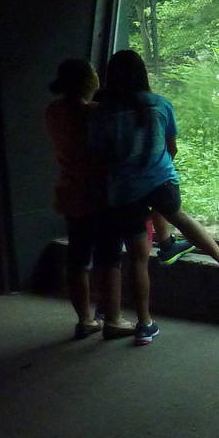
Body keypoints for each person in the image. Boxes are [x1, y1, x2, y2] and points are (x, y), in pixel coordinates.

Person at [89, 49, 219, 345]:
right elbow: (171, 148)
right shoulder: (160, 105)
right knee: (179, 215)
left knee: (138, 259)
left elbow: (99, 157)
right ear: (143, 75)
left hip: (123, 191)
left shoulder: (103, 113)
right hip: (160, 178)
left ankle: (144, 324)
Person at [43, 58, 124, 339]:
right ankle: (113, 319)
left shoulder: (53, 111)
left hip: (70, 192)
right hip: (100, 194)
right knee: (109, 257)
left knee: (77, 258)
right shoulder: (95, 113)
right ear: (87, 80)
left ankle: (85, 319)